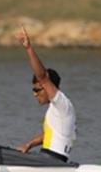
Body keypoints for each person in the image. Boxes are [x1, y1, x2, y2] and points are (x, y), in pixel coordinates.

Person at [16, 26, 76, 162]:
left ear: (49, 87)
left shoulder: (61, 102)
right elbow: (50, 135)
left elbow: (42, 77)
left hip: (52, 160)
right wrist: (29, 145)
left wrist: (28, 48)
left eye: (37, 90)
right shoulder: (58, 109)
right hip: (49, 158)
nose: (34, 94)